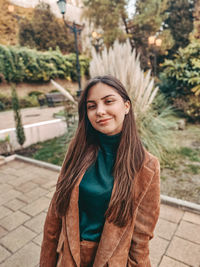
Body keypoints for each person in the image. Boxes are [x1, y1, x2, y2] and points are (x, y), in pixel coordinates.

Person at [40, 75, 160, 267]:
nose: (100, 111)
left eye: (108, 101)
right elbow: (55, 216)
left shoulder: (147, 166)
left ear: (126, 106)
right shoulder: (77, 150)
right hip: (69, 258)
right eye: (92, 106)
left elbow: (141, 239)